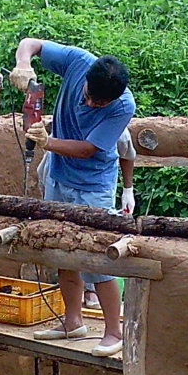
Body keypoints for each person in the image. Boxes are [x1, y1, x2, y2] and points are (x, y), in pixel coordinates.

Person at [10, 38, 135, 357]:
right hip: (58, 176)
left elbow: (88, 149)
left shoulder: (123, 106)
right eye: (90, 98)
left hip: (94, 184)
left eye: (100, 105)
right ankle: (72, 320)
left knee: (97, 257)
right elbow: (31, 43)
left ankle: (113, 331)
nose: (92, 106)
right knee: (60, 250)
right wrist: (24, 65)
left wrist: (47, 142)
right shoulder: (78, 62)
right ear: (86, 82)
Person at [36, 129, 136, 310]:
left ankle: (112, 330)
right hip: (60, 183)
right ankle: (73, 320)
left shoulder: (114, 122)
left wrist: (128, 189)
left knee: (96, 251)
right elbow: (45, 163)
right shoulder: (63, 122)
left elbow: (127, 153)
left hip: (95, 188)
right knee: (64, 250)